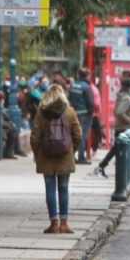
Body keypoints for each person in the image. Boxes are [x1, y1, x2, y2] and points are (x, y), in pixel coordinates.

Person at [30, 84, 82, 234]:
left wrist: (37, 153)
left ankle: (54, 223)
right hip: (65, 155)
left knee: (50, 188)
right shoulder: (69, 112)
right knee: (64, 188)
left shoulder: (41, 113)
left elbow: (35, 137)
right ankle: (64, 224)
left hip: (46, 156)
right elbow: (78, 135)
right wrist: (72, 150)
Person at [95, 71, 130, 177]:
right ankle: (104, 167)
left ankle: (103, 166)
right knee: (120, 150)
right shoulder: (126, 98)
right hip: (124, 128)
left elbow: (116, 111)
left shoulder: (121, 96)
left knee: (117, 150)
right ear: (129, 87)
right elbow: (119, 112)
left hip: (120, 127)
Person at [68, 68, 96, 164]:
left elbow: (69, 99)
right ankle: (81, 157)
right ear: (87, 76)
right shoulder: (86, 87)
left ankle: (71, 156)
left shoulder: (73, 86)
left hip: (74, 113)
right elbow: (90, 102)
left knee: (74, 135)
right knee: (82, 135)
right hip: (85, 114)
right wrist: (91, 112)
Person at [0, 91, 26, 158]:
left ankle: (16, 149)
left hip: (1, 127)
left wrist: (1, 109)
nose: (0, 101)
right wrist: (9, 125)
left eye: (1, 100)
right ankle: (9, 152)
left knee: (14, 129)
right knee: (12, 130)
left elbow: (7, 118)